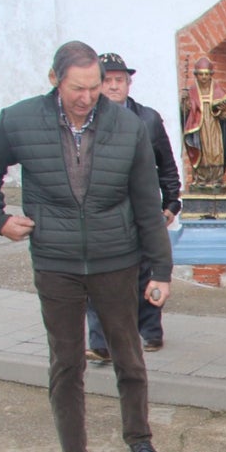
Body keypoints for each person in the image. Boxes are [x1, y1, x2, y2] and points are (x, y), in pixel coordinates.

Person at [0, 41, 173, 452]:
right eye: (77, 88)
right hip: (56, 262)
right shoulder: (19, 121)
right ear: (54, 80)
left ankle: (139, 438)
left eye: (95, 86)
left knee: (129, 357)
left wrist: (160, 268)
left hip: (116, 260)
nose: (87, 97)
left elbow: (146, 199)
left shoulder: (127, 126)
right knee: (66, 366)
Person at [85, 52, 182, 361]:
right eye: (107, 80)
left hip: (142, 210)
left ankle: (150, 330)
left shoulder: (148, 119)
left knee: (147, 272)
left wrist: (172, 202)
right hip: (100, 212)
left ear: (128, 83)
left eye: (119, 80)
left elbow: (166, 165)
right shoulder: (84, 121)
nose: (114, 86)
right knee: (99, 276)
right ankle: (100, 341)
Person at [180, 56, 226, 188]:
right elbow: (186, 113)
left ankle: (216, 179)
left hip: (214, 127)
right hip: (199, 127)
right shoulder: (191, 92)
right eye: (201, 74)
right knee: (203, 153)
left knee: (215, 152)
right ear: (196, 75)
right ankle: (201, 179)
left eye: (206, 74)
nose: (204, 77)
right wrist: (185, 104)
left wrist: (224, 111)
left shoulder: (218, 91)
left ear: (211, 75)